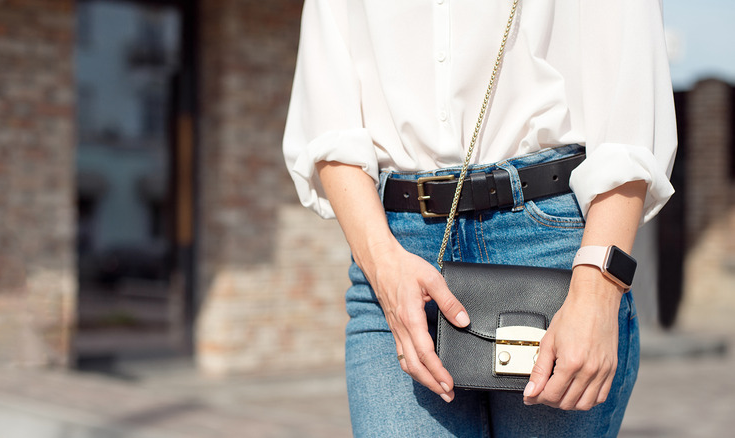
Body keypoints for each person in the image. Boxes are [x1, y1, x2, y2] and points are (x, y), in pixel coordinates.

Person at [283, 0, 676, 436]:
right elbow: (328, 119)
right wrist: (382, 265)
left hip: (552, 253)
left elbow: (629, 111)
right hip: (398, 257)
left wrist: (598, 291)